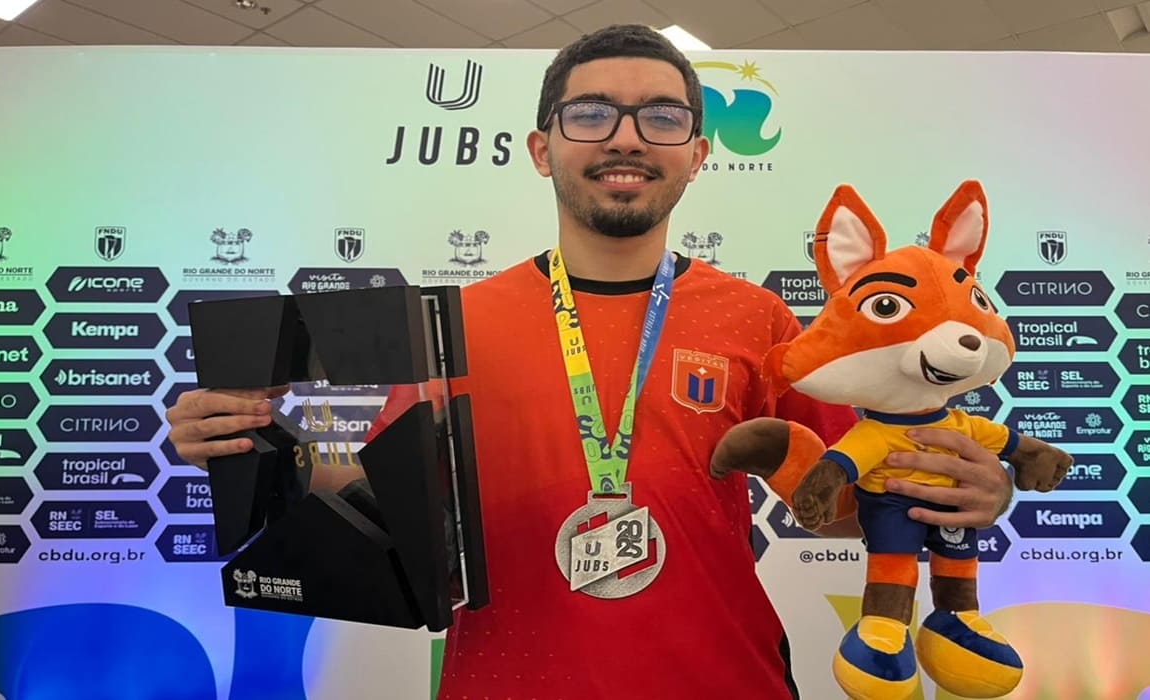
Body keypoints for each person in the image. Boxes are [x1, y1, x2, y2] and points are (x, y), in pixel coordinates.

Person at [166, 24, 1014, 699]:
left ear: (697, 155)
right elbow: (387, 502)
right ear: (543, 148)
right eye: (592, 113)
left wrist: (958, 496)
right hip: (506, 682)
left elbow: (837, 508)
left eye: (662, 118)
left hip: (722, 678)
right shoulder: (455, 322)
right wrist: (253, 445)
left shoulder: (758, 318)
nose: (626, 138)